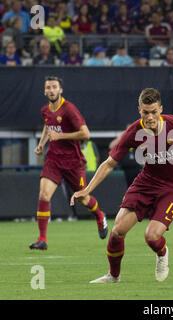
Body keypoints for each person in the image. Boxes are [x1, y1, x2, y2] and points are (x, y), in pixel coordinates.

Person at [70, 88, 173, 283]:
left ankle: (162, 252)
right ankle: (113, 276)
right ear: (139, 110)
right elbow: (109, 164)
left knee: (151, 237)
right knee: (117, 231)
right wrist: (87, 190)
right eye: (145, 112)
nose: (149, 117)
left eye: (154, 112)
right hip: (146, 183)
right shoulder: (133, 131)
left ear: (160, 110)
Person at [29, 76, 108, 250]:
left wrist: (61, 136)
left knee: (83, 198)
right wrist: (41, 144)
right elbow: (47, 126)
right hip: (54, 160)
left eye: (54, 87)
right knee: (43, 194)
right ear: (44, 91)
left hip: (73, 162)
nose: (51, 90)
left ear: (60, 90)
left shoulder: (69, 109)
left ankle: (99, 215)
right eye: (48, 87)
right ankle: (42, 239)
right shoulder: (46, 110)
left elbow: (86, 134)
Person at [108, 124, 142, 188]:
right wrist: (122, 136)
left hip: (137, 168)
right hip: (125, 169)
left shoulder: (138, 140)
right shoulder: (123, 141)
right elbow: (111, 146)